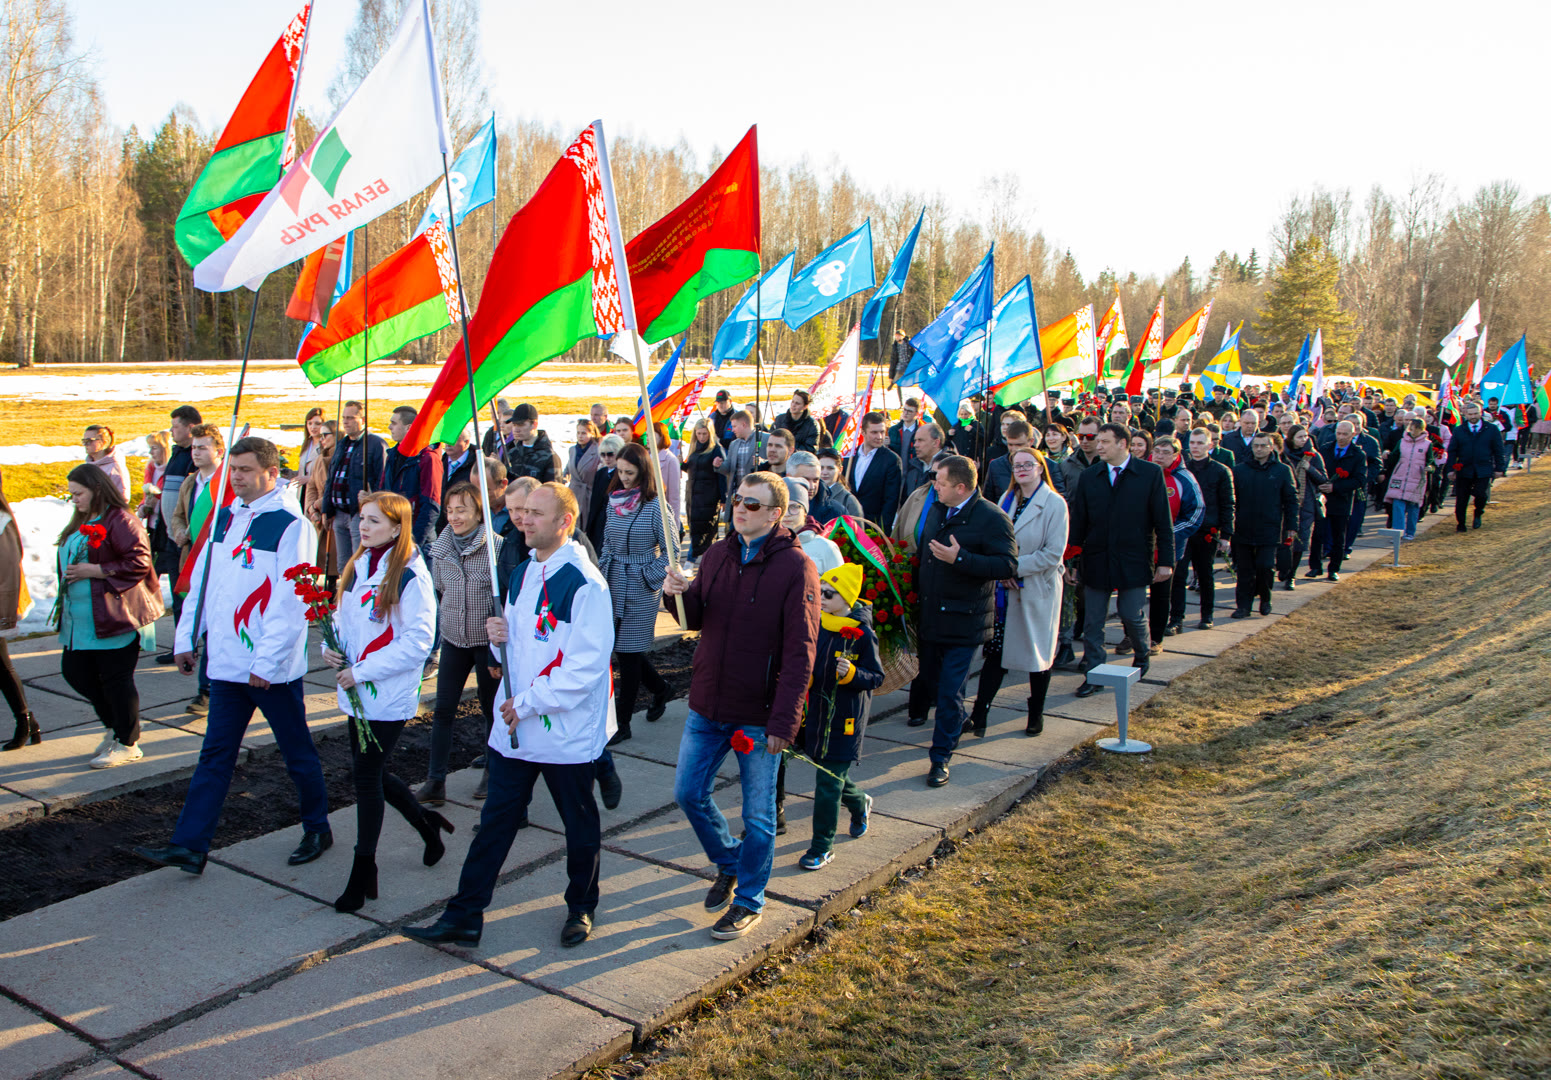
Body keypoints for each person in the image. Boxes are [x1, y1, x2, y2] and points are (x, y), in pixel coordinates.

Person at [407, 483, 615, 949]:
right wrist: (499, 633)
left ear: (565, 522)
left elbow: (583, 669)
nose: (523, 521)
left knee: (579, 827)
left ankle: (581, 906)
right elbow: (521, 649)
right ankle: (464, 915)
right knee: (495, 824)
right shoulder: (522, 572)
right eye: (521, 512)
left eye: (535, 514)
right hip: (516, 731)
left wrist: (524, 703)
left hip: (562, 733)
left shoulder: (585, 582)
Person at [134, 438, 330, 875]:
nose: (236, 477)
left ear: (269, 472)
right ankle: (189, 845)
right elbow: (202, 583)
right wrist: (186, 637)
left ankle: (317, 827)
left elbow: (292, 599)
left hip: (268, 672)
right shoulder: (226, 518)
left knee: (295, 752)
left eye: (244, 470)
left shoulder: (291, 526)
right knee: (215, 755)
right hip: (224, 665)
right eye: (233, 470)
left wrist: (266, 663)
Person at [662, 472, 819, 940]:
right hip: (708, 703)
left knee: (758, 816)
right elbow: (697, 618)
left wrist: (785, 719)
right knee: (689, 793)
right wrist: (677, 595)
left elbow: (801, 650)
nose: (740, 509)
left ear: (775, 514)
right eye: (737, 501)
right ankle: (730, 860)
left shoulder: (796, 568)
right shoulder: (717, 554)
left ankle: (750, 900)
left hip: (759, 712)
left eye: (752, 504)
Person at [323, 491, 451, 912]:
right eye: (362, 518)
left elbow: (418, 641)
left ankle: (363, 871)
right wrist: (334, 648)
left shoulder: (411, 575)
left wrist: (360, 671)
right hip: (357, 689)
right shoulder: (362, 564)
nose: (363, 527)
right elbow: (347, 618)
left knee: (365, 777)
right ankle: (426, 825)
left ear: (398, 527)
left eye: (374, 521)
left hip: (385, 694)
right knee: (371, 774)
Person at [912, 455, 1017, 785]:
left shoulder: (991, 518)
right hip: (931, 616)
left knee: (948, 691)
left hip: (965, 620)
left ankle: (940, 756)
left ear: (960, 487)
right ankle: (954, 725)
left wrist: (962, 559)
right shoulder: (938, 507)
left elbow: (1007, 566)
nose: (935, 487)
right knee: (929, 683)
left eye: (940, 483)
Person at [54, 465, 163, 768]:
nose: (73, 499)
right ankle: (115, 728)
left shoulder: (120, 520)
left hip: (114, 616)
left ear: (97, 489)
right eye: (71, 494)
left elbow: (140, 561)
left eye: (79, 493)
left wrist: (97, 570)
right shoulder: (83, 517)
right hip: (81, 619)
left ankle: (128, 742)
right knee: (75, 672)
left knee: (116, 680)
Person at [1068, 423, 1174, 697]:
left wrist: (1166, 560)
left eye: (1104, 441)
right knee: (1092, 620)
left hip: (1134, 558)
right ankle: (1094, 672)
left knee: (1131, 614)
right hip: (1096, 558)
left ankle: (1142, 654)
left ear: (1123, 444)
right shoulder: (1091, 476)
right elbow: (1079, 521)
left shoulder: (1149, 474)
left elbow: (1163, 521)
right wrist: (1072, 561)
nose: (1097, 446)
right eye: (1097, 441)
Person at [967, 447, 1067, 738]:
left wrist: (1013, 567)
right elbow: (993, 539)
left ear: (1040, 467)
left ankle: (1036, 713)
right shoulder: (1006, 499)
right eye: (1016, 465)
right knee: (997, 653)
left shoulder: (1054, 504)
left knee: (1037, 655)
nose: (1022, 469)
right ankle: (979, 714)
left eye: (1028, 464)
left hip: (1036, 589)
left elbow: (1053, 554)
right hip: (1005, 591)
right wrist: (1002, 569)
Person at [419, 481, 502, 807]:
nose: (454, 517)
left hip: (485, 643)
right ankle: (435, 781)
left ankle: (493, 770)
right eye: (450, 511)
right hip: (453, 638)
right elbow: (440, 588)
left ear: (478, 512)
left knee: (490, 709)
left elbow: (502, 595)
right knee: (442, 711)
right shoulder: (440, 549)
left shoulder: (495, 548)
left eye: (462, 510)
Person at [799, 563, 882, 871]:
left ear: (847, 600)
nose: (821, 597)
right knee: (831, 775)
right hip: (815, 713)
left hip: (844, 717)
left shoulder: (861, 634)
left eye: (829, 594)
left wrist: (853, 675)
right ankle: (860, 803)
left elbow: (876, 677)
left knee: (827, 784)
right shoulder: (816, 622)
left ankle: (822, 846)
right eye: (818, 591)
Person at [599, 443, 675, 744]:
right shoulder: (613, 500)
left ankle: (623, 722)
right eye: (620, 472)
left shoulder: (656, 505)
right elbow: (606, 540)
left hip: (640, 586)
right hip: (614, 578)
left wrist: (647, 577)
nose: (624, 478)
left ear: (643, 472)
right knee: (621, 649)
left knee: (629, 653)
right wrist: (603, 572)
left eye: (630, 473)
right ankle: (660, 689)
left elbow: (671, 552)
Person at [168, 423, 227, 715]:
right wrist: (180, 530)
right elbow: (179, 515)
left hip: (218, 563)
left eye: (203, 447)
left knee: (213, 625)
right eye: (194, 447)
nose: (196, 452)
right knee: (191, 619)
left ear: (219, 451)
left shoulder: (226, 484)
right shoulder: (191, 483)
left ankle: (208, 690)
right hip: (191, 559)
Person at [1231, 433, 1298, 615]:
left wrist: (1291, 526)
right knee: (1244, 571)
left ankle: (1265, 598)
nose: (1259, 449)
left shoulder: (1282, 471)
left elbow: (1291, 500)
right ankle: (1243, 606)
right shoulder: (1240, 470)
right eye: (1256, 446)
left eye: (1263, 446)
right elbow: (1231, 500)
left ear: (1271, 447)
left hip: (1269, 527)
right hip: (1244, 528)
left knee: (1265, 566)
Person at [1147, 437, 1203, 648]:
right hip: (1142, 547)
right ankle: (1131, 636)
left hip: (1168, 548)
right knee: (1132, 594)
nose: (1159, 456)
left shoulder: (1185, 479)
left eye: (1165, 452)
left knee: (1161, 595)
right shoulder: (1144, 473)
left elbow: (1195, 513)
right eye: (1157, 451)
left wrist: (1168, 535)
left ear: (1176, 455)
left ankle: (1155, 638)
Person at [1180, 428, 1235, 630]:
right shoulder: (1183, 468)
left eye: (1200, 443)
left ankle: (1206, 615)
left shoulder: (1221, 471)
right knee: (1179, 575)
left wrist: (1226, 535)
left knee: (1205, 574)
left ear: (1210, 445)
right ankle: (1176, 617)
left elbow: (1228, 503)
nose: (1195, 447)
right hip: (1184, 530)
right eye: (1193, 442)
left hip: (1207, 531)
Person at [322, 400, 387, 567]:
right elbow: (331, 478)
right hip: (338, 513)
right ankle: (345, 593)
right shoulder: (342, 444)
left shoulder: (375, 444)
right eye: (344, 417)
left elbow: (383, 481)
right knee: (343, 564)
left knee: (360, 561)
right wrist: (326, 509)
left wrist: (373, 503)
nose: (345, 421)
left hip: (359, 514)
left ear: (363, 420)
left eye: (350, 417)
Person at [0, 467, 37, 750]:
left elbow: (9, 570)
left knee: (1, 665)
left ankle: (24, 719)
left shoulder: (1, 521)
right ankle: (27, 720)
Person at [383, 405, 443, 553]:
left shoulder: (427, 458)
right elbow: (383, 493)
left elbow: (431, 506)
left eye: (394, 423)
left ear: (408, 428)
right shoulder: (392, 456)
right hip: (392, 538)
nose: (390, 427)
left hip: (418, 544)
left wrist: (413, 542)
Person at [1444, 402, 1507, 532]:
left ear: (1481, 413)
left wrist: (1500, 468)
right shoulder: (1459, 430)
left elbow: (1498, 449)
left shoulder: (1491, 429)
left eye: (1476, 413)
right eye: (1470, 414)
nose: (1473, 416)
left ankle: (1478, 512)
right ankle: (1461, 523)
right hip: (1464, 469)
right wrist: (1451, 469)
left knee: (1481, 494)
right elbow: (1452, 451)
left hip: (1483, 468)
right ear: (1465, 414)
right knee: (1461, 498)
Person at [1317, 422, 1367, 581]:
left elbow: (1359, 479)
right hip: (1323, 499)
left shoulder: (1358, 455)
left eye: (1345, 434)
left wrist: (1336, 487)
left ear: (1353, 435)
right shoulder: (1325, 449)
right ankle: (1315, 566)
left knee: (1339, 536)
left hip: (1342, 500)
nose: (1341, 437)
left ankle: (1334, 568)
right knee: (1318, 534)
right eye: (1339, 433)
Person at [845, 413, 903, 531]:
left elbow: (891, 500)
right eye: (874, 432)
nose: (880, 436)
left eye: (882, 432)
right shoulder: (849, 456)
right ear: (863, 432)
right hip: (848, 524)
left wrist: (882, 531)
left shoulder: (891, 460)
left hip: (873, 527)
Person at [1384, 416, 1432, 540]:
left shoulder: (1427, 444)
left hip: (1417, 478)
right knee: (1397, 504)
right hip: (1400, 476)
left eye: (1416, 429)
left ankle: (1410, 532)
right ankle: (1398, 532)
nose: (1413, 431)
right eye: (1412, 428)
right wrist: (1388, 455)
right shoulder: (1402, 442)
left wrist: (1429, 467)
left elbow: (1430, 460)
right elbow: (1395, 456)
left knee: (1413, 506)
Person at [303, 421, 340, 581]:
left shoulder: (341, 458)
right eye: (321, 435)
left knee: (333, 563)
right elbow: (311, 485)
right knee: (318, 562)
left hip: (334, 514)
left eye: (326, 435)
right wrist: (311, 508)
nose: (322, 438)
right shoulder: (320, 458)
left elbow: (336, 488)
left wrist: (318, 504)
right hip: (318, 516)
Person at [783, 478, 843, 574]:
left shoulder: (826, 547)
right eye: (783, 507)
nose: (786, 514)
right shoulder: (766, 544)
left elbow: (839, 586)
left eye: (794, 507)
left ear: (805, 511)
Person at [684, 419, 722, 561]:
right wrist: (683, 464)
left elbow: (721, 474)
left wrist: (723, 498)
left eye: (704, 434)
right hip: (693, 494)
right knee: (695, 528)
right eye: (698, 433)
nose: (701, 437)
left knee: (706, 530)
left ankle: (691, 560)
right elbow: (692, 467)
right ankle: (699, 559)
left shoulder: (715, 449)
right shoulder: (694, 448)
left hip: (708, 495)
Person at [715, 410, 763, 513]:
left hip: (756, 498)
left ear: (744, 424)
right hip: (737, 498)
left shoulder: (763, 439)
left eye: (735, 426)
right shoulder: (734, 444)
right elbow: (728, 468)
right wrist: (719, 465)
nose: (732, 430)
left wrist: (762, 462)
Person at [586, 434, 624, 553]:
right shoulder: (601, 473)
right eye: (603, 454)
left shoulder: (623, 475)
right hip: (599, 523)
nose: (607, 458)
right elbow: (594, 503)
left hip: (615, 524)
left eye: (610, 454)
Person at [437, 424, 479, 532]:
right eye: (446, 440)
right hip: (442, 524)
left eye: (454, 439)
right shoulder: (439, 463)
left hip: (467, 525)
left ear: (466, 442)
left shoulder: (477, 465)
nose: (448, 444)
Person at [983, 418, 1034, 504]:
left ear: (1031, 442)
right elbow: (988, 501)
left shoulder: (1048, 465)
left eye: (1019, 445)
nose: (1014, 449)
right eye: (1010, 444)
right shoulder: (996, 466)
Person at [566, 418, 601, 530]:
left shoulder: (597, 451)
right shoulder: (572, 450)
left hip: (589, 496)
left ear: (592, 433)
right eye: (578, 433)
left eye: (584, 433)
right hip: (574, 493)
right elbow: (568, 470)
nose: (580, 436)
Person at [813, 448, 863, 523]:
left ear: (840, 470)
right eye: (821, 468)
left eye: (830, 468)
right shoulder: (810, 494)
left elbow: (857, 532)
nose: (824, 472)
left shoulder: (849, 500)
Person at [81, 424, 130, 501]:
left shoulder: (114, 468)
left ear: (104, 442)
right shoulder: (88, 466)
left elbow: (122, 499)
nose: (85, 444)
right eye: (84, 441)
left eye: (89, 441)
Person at [652, 420, 683, 529]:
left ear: (661, 437)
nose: (648, 438)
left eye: (652, 435)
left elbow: (674, 495)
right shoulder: (647, 457)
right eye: (647, 435)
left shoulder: (670, 459)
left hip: (663, 516)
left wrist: (674, 524)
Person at [903, 421, 943, 497]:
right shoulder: (913, 466)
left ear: (936, 443)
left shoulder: (950, 468)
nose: (915, 445)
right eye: (915, 441)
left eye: (920, 440)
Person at [1042, 423, 1073, 497]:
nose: (1051, 438)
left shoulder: (1072, 458)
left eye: (1054, 434)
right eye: (1048, 435)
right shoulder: (1041, 458)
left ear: (1064, 437)